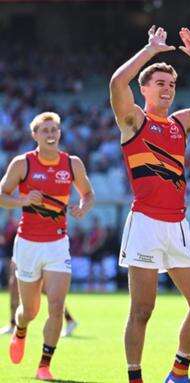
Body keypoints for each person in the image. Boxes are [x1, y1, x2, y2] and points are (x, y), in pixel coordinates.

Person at [110, 25, 190, 383]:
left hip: (178, 226)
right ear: (144, 89)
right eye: (159, 83)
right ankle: (135, 378)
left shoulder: (182, 123)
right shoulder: (134, 120)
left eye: (172, 84)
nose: (167, 89)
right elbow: (118, 83)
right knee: (143, 310)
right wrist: (150, 51)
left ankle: (178, 373)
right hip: (146, 223)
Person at [0, 111, 94, 380]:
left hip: (57, 244)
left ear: (59, 133)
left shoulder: (72, 164)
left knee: (56, 306)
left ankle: (44, 365)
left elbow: (88, 194)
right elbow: (1, 195)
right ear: (35, 135)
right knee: (29, 311)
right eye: (45, 130)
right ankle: (20, 331)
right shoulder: (22, 164)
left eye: (55, 130)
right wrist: (23, 200)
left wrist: (83, 208)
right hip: (28, 244)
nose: (51, 134)